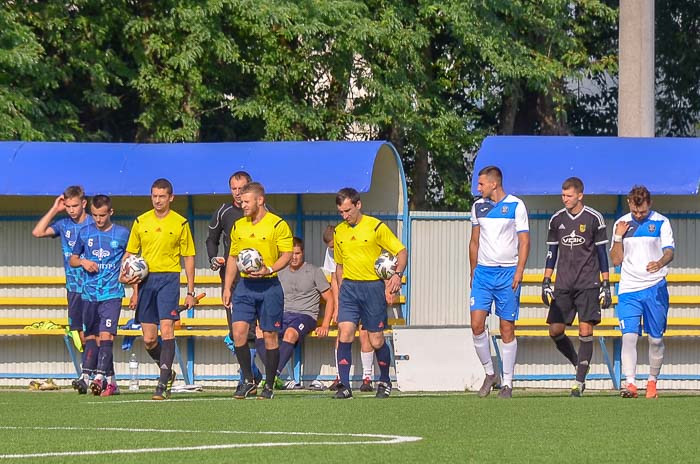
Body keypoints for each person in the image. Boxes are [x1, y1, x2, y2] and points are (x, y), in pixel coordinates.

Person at [124, 178, 196, 400]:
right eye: (154, 196)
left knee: (167, 330)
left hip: (169, 280)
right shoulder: (140, 221)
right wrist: (131, 286)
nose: (157, 200)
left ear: (171, 198)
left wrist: (190, 291)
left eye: (162, 196)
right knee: (149, 339)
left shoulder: (180, 223)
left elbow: (189, 257)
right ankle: (169, 371)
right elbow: (130, 255)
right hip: (146, 282)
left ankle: (162, 383)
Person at [332, 187, 407, 399]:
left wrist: (396, 275)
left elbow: (401, 251)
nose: (345, 216)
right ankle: (345, 385)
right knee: (345, 333)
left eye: (348, 210)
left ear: (358, 205)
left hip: (373, 289)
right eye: (341, 212)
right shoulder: (339, 232)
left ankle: (384, 380)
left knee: (376, 340)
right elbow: (339, 266)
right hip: (349, 289)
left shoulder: (376, 227)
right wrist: (339, 296)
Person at [223, 182, 293, 400]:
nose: (242, 205)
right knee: (238, 333)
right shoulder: (238, 226)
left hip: (269, 286)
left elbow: (287, 254)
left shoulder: (277, 224)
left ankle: (269, 385)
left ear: (259, 200)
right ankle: (248, 380)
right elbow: (233, 257)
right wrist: (227, 287)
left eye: (246, 201)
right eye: (240, 201)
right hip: (244, 287)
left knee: (270, 336)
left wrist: (268, 269)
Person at [541, 177, 611, 397]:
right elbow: (552, 253)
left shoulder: (594, 218)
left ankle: (579, 382)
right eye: (563, 195)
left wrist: (606, 284)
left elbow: (602, 254)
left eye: (569, 195)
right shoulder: (556, 220)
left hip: (588, 283)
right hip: (563, 284)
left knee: (585, 329)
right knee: (555, 330)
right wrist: (546, 280)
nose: (565, 199)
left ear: (580, 195)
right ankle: (579, 363)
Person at [469, 165, 530, 399]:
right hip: (483, 274)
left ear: (494, 184)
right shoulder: (477, 207)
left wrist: (519, 271)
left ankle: (507, 383)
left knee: (507, 328)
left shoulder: (516, 205)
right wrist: (472, 271)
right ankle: (489, 373)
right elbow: (474, 242)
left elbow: (524, 241)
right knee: (476, 324)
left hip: (507, 274)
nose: (478, 188)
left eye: (481, 183)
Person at [611, 185, 674, 399]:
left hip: (655, 287)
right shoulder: (621, 224)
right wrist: (619, 237)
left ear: (650, 205)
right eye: (636, 211)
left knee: (655, 339)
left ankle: (652, 382)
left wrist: (660, 262)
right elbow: (616, 260)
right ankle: (630, 384)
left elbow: (669, 252)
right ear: (630, 204)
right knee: (628, 336)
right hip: (628, 289)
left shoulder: (661, 222)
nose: (639, 215)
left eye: (643, 212)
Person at [69, 195, 134, 397]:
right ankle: (104, 380)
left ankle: (96, 377)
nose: (98, 219)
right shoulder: (84, 232)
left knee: (106, 335)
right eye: (95, 215)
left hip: (112, 293)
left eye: (102, 215)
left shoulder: (123, 234)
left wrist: (135, 292)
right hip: (89, 294)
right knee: (91, 338)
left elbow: (132, 262)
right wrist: (83, 263)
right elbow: (72, 259)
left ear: (111, 213)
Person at [31, 185, 94, 393]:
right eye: (67, 206)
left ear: (83, 203)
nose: (71, 210)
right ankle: (92, 373)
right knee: (81, 335)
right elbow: (37, 232)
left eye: (74, 205)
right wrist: (54, 209)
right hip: (73, 287)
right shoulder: (64, 224)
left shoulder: (94, 223)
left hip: (94, 287)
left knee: (95, 333)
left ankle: (94, 375)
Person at [205, 171, 261, 383]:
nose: (238, 194)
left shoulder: (265, 212)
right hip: (233, 279)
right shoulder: (224, 211)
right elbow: (211, 239)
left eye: (242, 189)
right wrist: (213, 259)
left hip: (260, 279)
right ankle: (248, 374)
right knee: (237, 329)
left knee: (257, 330)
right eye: (234, 189)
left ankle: (252, 375)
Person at [255, 237, 334, 386]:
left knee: (290, 333)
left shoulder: (314, 271)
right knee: (261, 332)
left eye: (297, 253)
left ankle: (272, 377)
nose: (294, 257)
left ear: (302, 253)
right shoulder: (279, 272)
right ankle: (274, 376)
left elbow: (330, 299)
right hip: (282, 315)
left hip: (305, 316)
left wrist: (325, 325)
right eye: (291, 254)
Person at [323, 225, 377, 392]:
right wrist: (337, 307)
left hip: (365, 293)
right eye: (329, 247)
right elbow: (334, 278)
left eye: (333, 246)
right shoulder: (331, 251)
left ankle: (367, 378)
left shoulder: (355, 244)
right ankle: (341, 377)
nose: (331, 250)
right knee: (343, 331)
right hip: (347, 297)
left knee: (364, 333)